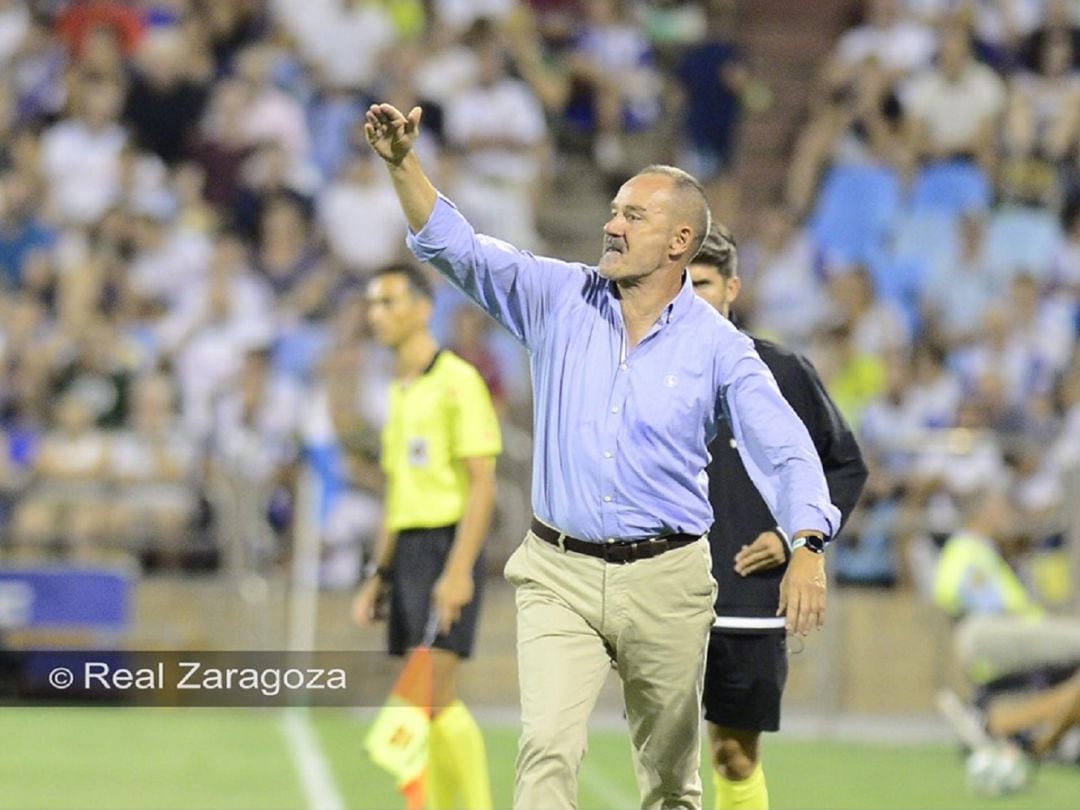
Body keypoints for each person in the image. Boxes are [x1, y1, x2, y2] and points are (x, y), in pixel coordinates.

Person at [364, 102, 840, 810]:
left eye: (634, 217)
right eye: (614, 211)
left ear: (681, 240)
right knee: (547, 756)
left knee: (671, 786)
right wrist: (404, 164)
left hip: (669, 580)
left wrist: (808, 541)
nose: (611, 225)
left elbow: (787, 447)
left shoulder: (718, 347)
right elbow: (454, 249)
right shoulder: (556, 296)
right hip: (560, 572)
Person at [688, 225, 868, 810]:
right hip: (663, 588)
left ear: (731, 288)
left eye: (703, 283)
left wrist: (796, 540)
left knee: (733, 754)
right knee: (660, 750)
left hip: (747, 597)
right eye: (678, 284)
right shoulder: (641, 371)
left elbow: (844, 467)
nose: (689, 297)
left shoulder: (782, 373)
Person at [352, 263, 502, 810]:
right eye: (372, 303)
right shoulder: (401, 390)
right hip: (411, 549)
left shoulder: (457, 380)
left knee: (436, 694)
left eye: (389, 301)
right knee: (425, 699)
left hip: (446, 544)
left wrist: (459, 569)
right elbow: (397, 494)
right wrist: (378, 573)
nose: (377, 314)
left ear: (422, 307)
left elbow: (483, 484)